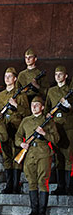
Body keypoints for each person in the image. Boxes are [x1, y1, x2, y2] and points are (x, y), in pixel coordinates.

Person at [15, 96, 59, 215]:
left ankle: (42, 211)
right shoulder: (26, 120)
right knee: (31, 182)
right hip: (29, 153)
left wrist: (44, 133)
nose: (34, 107)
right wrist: (21, 143)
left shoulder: (48, 121)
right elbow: (18, 136)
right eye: (32, 105)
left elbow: (56, 139)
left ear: (42, 107)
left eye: (37, 105)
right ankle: (34, 210)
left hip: (43, 153)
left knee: (43, 182)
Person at [0, 67, 30, 194]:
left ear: (15, 79)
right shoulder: (0, 95)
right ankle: (9, 184)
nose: (7, 79)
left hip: (17, 128)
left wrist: (16, 106)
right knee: (6, 156)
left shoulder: (21, 94)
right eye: (5, 76)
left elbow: (27, 112)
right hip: (4, 128)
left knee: (16, 156)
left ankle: (16, 184)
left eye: (9, 76)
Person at [45, 65, 73, 196]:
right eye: (56, 74)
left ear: (66, 76)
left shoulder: (70, 90)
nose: (58, 77)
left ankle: (69, 186)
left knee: (69, 157)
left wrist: (67, 105)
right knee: (58, 157)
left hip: (68, 127)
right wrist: (48, 114)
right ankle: (61, 186)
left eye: (61, 74)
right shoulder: (51, 91)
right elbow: (47, 109)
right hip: (56, 128)